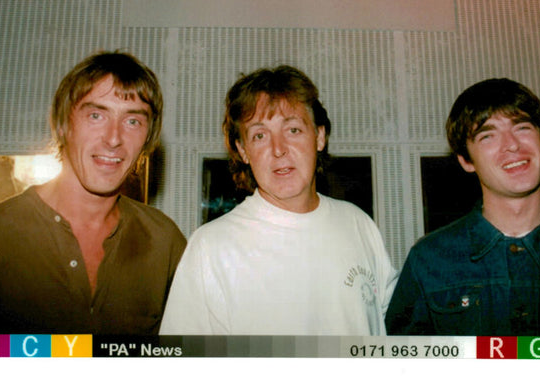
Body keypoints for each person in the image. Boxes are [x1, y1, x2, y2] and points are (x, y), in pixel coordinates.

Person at [0, 51, 186, 334]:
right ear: (63, 125)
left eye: (133, 121)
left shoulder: (164, 243)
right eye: (96, 115)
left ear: (148, 138)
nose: (113, 138)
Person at [160, 65, 397, 335]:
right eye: (260, 136)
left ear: (319, 137)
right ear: (243, 150)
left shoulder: (358, 223)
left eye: (293, 130)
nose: (278, 149)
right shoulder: (211, 247)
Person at [386, 78, 540, 336]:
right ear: (466, 160)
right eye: (488, 135)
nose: (512, 144)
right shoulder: (428, 260)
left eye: (522, 128)